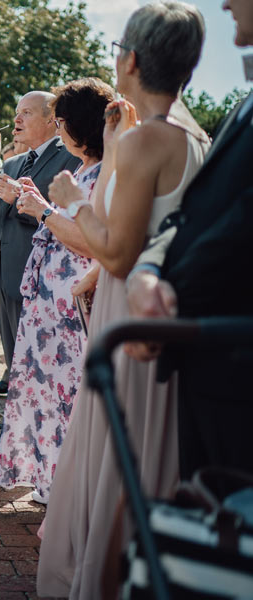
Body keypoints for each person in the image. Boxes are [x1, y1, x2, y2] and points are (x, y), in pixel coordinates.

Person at [37, 3, 209, 597]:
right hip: (158, 318)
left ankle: (106, 579)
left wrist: (70, 199)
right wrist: (112, 147)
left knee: (122, 450)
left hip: (129, 320)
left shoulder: (148, 144)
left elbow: (114, 253)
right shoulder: (193, 138)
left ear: (131, 59)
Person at [126, 0, 253, 480]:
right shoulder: (242, 106)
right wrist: (149, 270)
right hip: (203, 359)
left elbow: (243, 219)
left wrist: (170, 287)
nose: (224, 3)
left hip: (234, 355)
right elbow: (194, 213)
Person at [0, 77, 113, 505]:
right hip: (46, 300)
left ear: (79, 124)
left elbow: (88, 241)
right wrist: (36, 201)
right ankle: (50, 482)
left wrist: (44, 211)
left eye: (62, 121)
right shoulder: (81, 170)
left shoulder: (105, 174)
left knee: (68, 396)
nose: (59, 129)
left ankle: (70, 487)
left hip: (71, 302)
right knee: (44, 395)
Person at [0, 92, 82, 403]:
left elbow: (65, 220)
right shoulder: (15, 161)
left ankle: (31, 440)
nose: (16, 120)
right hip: (3, 274)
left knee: (39, 363)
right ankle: (13, 436)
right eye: (17, 112)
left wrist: (21, 200)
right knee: (14, 361)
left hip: (39, 277)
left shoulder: (70, 158)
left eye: (26, 113)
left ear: (51, 120)